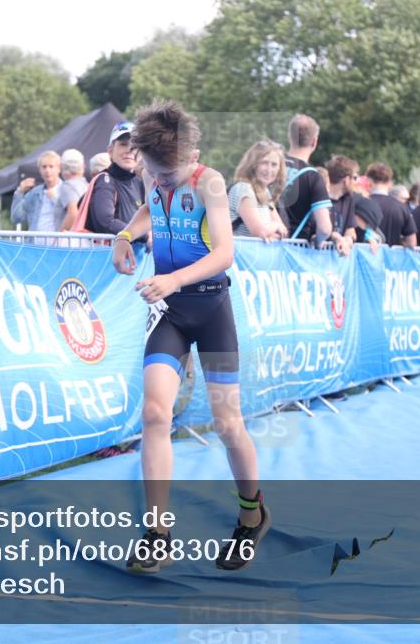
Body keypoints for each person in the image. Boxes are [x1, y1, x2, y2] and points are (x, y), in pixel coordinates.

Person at [112, 100, 268, 573]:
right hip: (172, 314)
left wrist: (174, 279)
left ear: (190, 154)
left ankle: (251, 513)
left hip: (211, 308)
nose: (160, 181)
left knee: (227, 424)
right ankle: (157, 533)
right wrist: (124, 238)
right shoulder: (152, 176)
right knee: (155, 413)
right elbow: (145, 210)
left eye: (168, 174)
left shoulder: (210, 183)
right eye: (154, 174)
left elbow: (224, 253)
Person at [280, 114, 332, 246]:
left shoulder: (270, 165)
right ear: (314, 141)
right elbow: (325, 228)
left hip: (263, 246)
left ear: (290, 137)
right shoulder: (312, 176)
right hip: (294, 249)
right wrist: (318, 240)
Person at [87, 122, 145, 235]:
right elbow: (106, 223)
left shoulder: (140, 181)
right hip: (110, 251)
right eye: (123, 144)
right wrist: (143, 235)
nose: (129, 150)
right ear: (110, 151)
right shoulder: (104, 181)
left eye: (134, 146)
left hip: (136, 251)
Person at [228, 140, 289, 240]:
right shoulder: (244, 189)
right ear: (252, 164)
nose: (269, 170)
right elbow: (260, 231)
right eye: (264, 163)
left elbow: (284, 232)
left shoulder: (265, 191)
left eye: (274, 164)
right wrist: (275, 226)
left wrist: (271, 233)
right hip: (240, 254)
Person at [11, 151, 76, 235]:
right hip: (35, 245)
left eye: (51, 166)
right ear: (39, 170)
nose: (47, 170)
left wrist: (54, 199)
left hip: (58, 246)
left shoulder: (68, 190)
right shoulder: (35, 193)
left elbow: (73, 216)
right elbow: (16, 217)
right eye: (44, 167)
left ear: (59, 168)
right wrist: (20, 191)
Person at [366, 163, 416, 247]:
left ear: (369, 181)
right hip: (392, 258)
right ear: (389, 183)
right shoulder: (401, 207)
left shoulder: (361, 204)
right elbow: (412, 242)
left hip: (365, 257)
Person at [323, 154, 362, 256]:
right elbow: (318, 229)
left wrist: (348, 239)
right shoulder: (320, 197)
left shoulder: (348, 198)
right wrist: (337, 238)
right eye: (355, 177)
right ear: (346, 180)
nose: (357, 182)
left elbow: (351, 229)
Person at [58, 148, 88, 231]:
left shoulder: (67, 186)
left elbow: (73, 213)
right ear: (83, 166)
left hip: (70, 239)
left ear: (62, 167)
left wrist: (58, 237)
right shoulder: (87, 185)